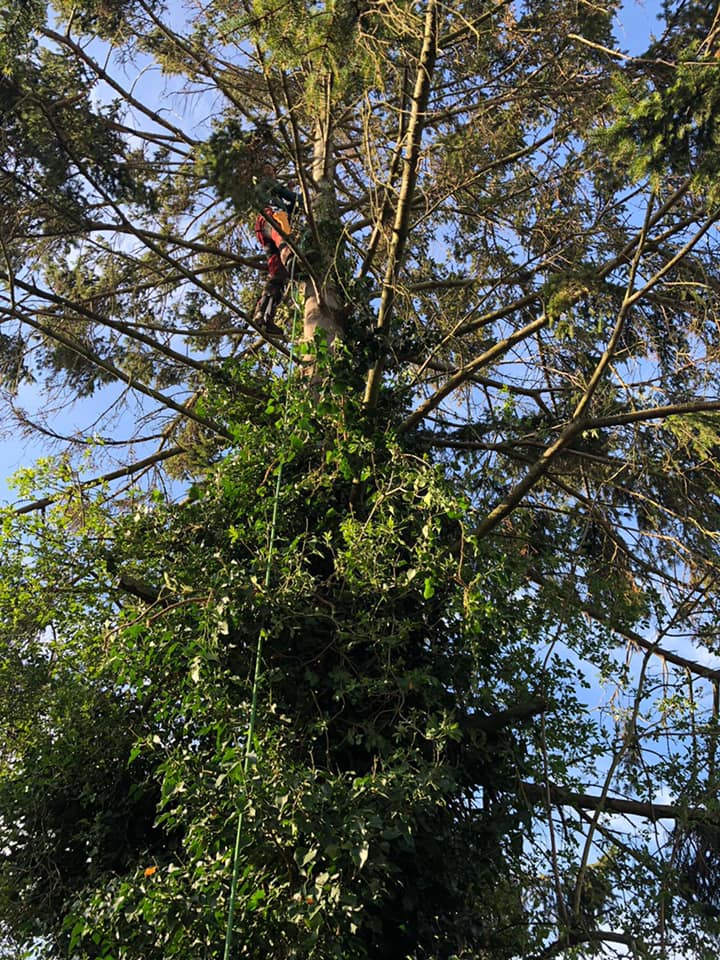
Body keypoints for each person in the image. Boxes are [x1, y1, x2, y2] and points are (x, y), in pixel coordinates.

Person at [252, 164, 301, 336]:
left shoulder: (273, 193)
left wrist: (288, 193)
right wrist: (291, 192)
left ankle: (264, 314)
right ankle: (290, 259)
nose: (270, 173)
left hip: (263, 229)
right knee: (284, 237)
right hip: (271, 216)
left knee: (278, 273)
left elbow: (293, 208)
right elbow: (297, 201)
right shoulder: (265, 184)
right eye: (267, 170)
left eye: (272, 171)